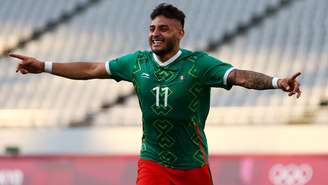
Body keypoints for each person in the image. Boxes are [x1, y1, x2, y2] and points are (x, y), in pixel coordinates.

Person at [9, 3, 301, 185]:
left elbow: (238, 76)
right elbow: (91, 69)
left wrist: (278, 82)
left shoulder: (198, 64)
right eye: (151, 28)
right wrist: (44, 66)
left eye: (164, 28)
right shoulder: (136, 62)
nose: (155, 33)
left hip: (193, 165)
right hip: (153, 161)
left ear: (180, 33)